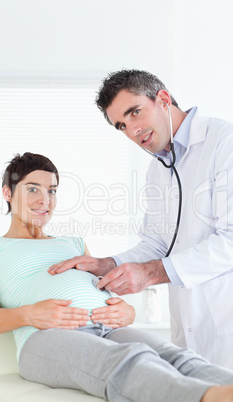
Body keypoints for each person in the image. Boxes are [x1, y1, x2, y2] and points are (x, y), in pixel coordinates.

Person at [0, 152, 233, 402]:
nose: (45, 201)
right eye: (33, 189)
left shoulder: (73, 243)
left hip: (108, 329)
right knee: (127, 360)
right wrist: (30, 315)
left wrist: (127, 312)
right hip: (43, 338)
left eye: (52, 191)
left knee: (178, 356)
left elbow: (100, 290)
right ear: (7, 193)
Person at [49, 69, 233, 370]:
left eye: (134, 112)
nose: (132, 130)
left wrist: (152, 273)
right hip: (188, 333)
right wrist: (107, 264)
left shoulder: (224, 143)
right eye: (121, 125)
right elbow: (158, 242)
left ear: (162, 99)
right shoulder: (158, 169)